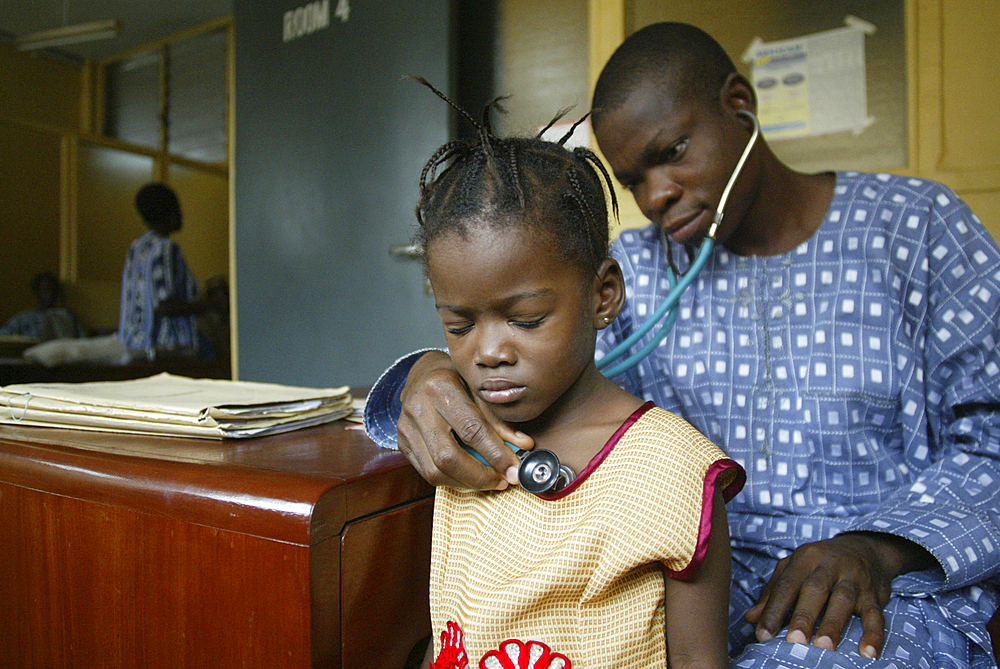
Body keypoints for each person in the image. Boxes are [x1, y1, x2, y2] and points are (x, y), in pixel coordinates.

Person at [366, 23, 1000, 669]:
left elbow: (993, 433)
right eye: (633, 179)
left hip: (878, 588)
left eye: (673, 151)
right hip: (688, 577)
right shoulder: (631, 270)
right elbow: (514, 341)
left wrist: (876, 546)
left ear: (739, 103)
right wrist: (427, 368)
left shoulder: (914, 227)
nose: (656, 195)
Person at [408, 78, 744, 668]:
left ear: (603, 295)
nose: (488, 352)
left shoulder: (671, 473)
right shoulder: (460, 441)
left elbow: (700, 661)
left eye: (526, 319)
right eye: (458, 326)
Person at [118, 182, 201, 356]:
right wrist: (209, 304)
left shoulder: (136, 247)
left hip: (133, 346)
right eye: (177, 207)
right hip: (164, 348)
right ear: (167, 212)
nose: (181, 214)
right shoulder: (165, 248)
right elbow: (164, 305)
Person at [0, 271, 84, 342]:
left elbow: (82, 341)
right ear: (37, 293)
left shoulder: (68, 316)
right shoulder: (24, 318)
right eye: (45, 290)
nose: (49, 294)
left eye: (53, 290)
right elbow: (4, 335)